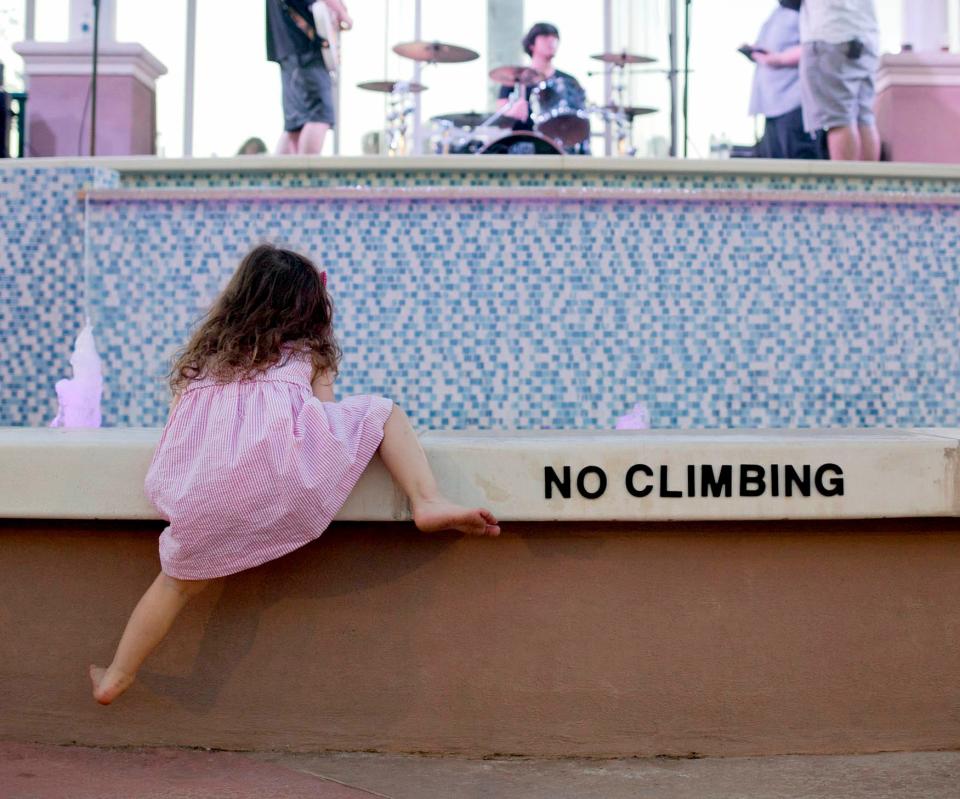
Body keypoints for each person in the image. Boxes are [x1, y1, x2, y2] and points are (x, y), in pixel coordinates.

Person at [88, 243, 501, 705]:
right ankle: (427, 500)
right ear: (307, 308)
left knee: (173, 585)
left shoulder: (204, 363)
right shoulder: (307, 355)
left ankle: (116, 677)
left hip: (201, 494)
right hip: (277, 480)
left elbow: (185, 432)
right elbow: (325, 417)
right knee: (382, 412)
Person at [266, 0, 353, 155]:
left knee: (295, 125)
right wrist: (342, 12)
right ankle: (307, 177)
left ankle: (278, 178)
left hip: (288, 43)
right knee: (318, 116)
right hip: (304, 45)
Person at [798, 0, 881, 161]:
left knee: (838, 119)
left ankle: (846, 185)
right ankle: (868, 185)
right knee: (864, 118)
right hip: (866, 35)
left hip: (829, 32)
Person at [496, 22, 590, 155]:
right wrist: (512, 112)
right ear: (531, 45)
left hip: (560, 145)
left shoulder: (568, 81)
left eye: (555, 37)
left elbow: (579, 116)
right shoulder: (514, 78)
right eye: (545, 37)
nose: (551, 41)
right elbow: (500, 118)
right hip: (522, 145)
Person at [745, 1, 824, 159]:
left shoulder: (811, 9)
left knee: (800, 162)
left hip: (795, 104)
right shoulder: (780, 10)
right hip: (772, 105)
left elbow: (817, 46)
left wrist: (779, 59)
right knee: (774, 166)